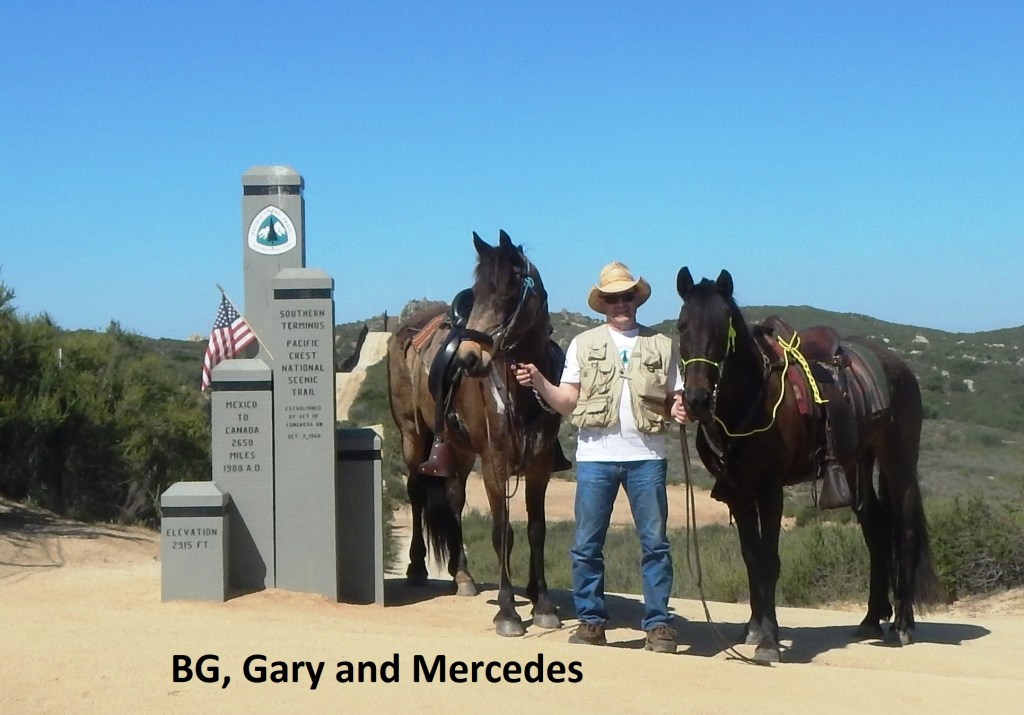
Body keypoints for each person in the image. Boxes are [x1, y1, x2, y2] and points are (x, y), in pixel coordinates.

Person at [513, 261, 688, 653]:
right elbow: (567, 401)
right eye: (612, 298)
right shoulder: (583, 344)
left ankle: (658, 625)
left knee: (656, 546)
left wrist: (679, 407)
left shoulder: (662, 344)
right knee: (587, 546)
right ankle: (591, 621)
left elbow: (675, 397)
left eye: (626, 296)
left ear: (636, 300)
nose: (620, 304)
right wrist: (539, 381)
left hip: (648, 458)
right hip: (595, 458)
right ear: (603, 304)